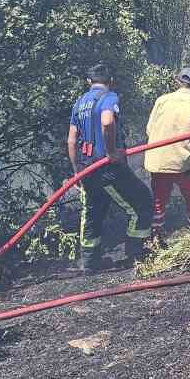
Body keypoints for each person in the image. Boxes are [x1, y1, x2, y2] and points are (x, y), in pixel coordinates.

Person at [66, 64, 154, 271]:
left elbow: (71, 140)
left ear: (89, 82)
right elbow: (107, 122)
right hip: (107, 168)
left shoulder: (79, 103)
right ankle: (136, 254)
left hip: (88, 169)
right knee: (142, 203)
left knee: (93, 211)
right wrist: (112, 151)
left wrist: (77, 171)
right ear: (110, 81)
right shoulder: (109, 97)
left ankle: (89, 261)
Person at [143, 66, 190, 243]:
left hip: (158, 162)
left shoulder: (161, 101)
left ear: (177, 81)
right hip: (183, 164)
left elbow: (149, 130)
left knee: (158, 200)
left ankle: (155, 238)